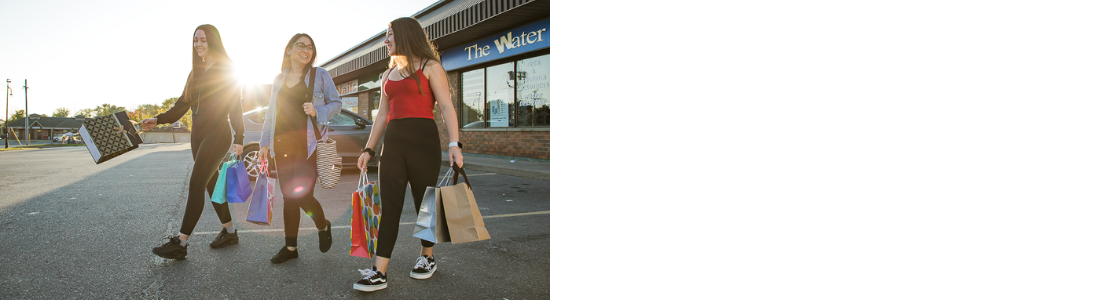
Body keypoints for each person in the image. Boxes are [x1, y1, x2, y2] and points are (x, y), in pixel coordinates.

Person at [353, 17, 464, 292]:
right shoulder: (388, 74)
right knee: (389, 207)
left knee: (424, 204)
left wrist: (454, 144)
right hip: (393, 145)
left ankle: (427, 257)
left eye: (389, 35)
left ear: (404, 35)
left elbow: (448, 108)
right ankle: (379, 271)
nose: (386, 41)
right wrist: (369, 148)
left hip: (423, 142)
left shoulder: (430, 66)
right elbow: (381, 115)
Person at [145, 24, 245, 259]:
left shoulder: (226, 69)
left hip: (218, 133)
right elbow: (182, 105)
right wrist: (157, 119)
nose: (198, 44)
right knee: (210, 184)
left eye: (203, 40)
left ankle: (180, 243)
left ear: (214, 42)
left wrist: (239, 138)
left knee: (196, 184)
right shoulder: (195, 72)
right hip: (197, 133)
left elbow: (235, 107)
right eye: (195, 40)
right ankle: (230, 231)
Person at [256, 33, 342, 264]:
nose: (307, 50)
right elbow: (271, 114)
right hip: (281, 146)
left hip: (308, 145)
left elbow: (337, 103)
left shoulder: (319, 75)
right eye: (301, 45)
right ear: (289, 50)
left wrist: (317, 111)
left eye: (310, 47)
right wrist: (265, 143)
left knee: (302, 194)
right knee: (288, 197)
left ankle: (323, 225)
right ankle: (290, 247)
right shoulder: (279, 79)